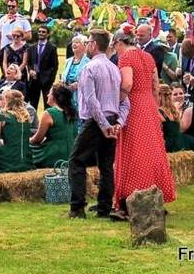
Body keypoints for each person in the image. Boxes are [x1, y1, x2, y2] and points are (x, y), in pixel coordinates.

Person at [112, 28, 176, 219]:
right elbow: (156, 86)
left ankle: (130, 199)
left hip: (133, 107)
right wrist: (154, 106)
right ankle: (155, 196)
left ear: (119, 43)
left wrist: (118, 103)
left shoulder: (125, 58)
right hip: (149, 106)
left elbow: (127, 84)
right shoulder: (148, 57)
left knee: (133, 152)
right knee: (153, 151)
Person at [68, 29, 127, 219]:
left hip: (96, 120)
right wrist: (118, 122)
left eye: (88, 42)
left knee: (76, 161)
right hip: (110, 118)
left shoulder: (89, 68)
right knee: (106, 165)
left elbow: (91, 101)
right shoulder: (114, 68)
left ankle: (77, 208)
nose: (86, 45)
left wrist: (103, 124)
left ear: (93, 45)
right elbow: (125, 101)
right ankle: (103, 207)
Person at [158, 84, 194, 176]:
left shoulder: (160, 111)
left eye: (181, 93)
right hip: (179, 138)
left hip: (171, 142)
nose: (179, 96)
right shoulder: (173, 109)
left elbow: (182, 127)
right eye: (175, 94)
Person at [31, 83, 77, 168]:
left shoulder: (49, 113)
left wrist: (27, 141)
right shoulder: (72, 112)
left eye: (49, 93)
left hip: (55, 154)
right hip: (72, 153)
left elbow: (37, 139)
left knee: (27, 150)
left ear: (55, 97)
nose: (47, 95)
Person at [0, 89, 32, 173]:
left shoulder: (2, 115)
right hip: (27, 160)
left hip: (8, 160)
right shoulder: (26, 116)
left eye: (2, 99)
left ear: (7, 101)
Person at [31, 25, 59, 109]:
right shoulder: (32, 47)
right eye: (39, 31)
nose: (41, 33)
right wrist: (30, 70)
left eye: (43, 32)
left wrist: (51, 79)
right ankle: (33, 122)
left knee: (48, 104)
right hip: (34, 79)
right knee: (33, 103)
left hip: (46, 80)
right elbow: (29, 63)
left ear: (47, 34)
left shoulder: (52, 48)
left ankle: (47, 121)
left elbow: (55, 65)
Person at [62, 34, 90, 110]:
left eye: (77, 42)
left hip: (80, 98)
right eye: (73, 42)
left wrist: (78, 85)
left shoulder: (88, 62)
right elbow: (63, 78)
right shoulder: (68, 61)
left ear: (84, 45)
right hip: (67, 97)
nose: (74, 44)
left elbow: (90, 81)